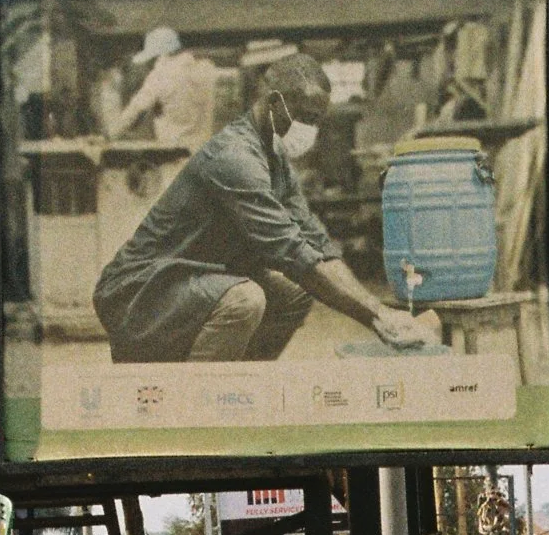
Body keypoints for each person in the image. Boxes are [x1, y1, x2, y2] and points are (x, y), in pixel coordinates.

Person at [92, 55, 436, 365]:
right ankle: (196, 404)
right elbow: (290, 252)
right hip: (142, 290)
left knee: (294, 296)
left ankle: (242, 389)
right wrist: (376, 315)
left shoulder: (274, 157)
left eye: (317, 121)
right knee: (245, 300)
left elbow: (315, 241)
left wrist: (382, 312)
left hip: (192, 279)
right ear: (274, 102)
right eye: (305, 118)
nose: (310, 131)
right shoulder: (235, 157)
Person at [108, 27, 219, 152]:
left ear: (160, 55)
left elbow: (136, 108)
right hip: (203, 151)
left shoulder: (161, 75)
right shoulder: (206, 69)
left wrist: (109, 136)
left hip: (174, 152)